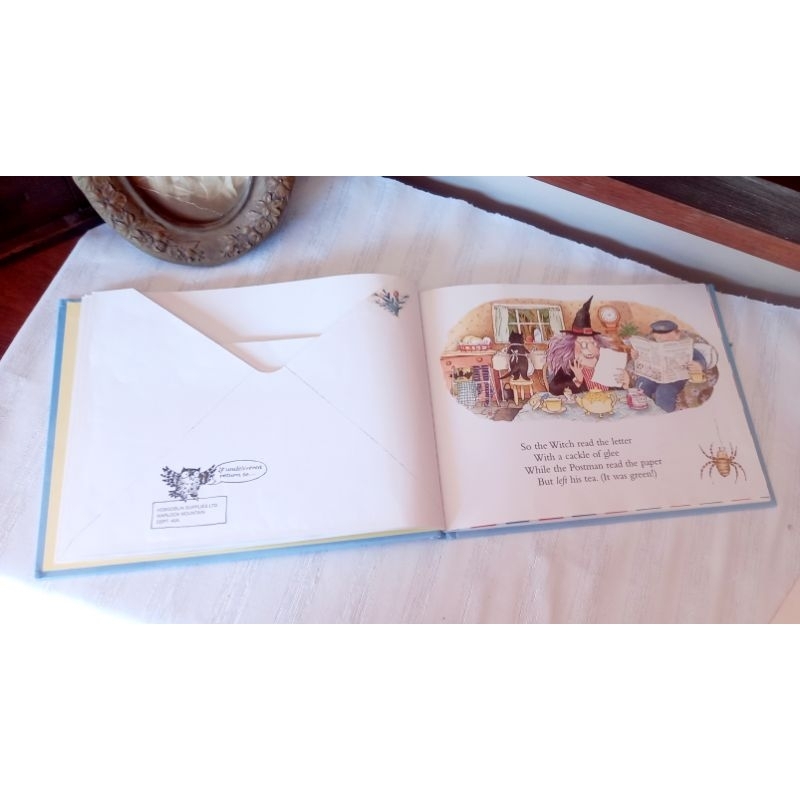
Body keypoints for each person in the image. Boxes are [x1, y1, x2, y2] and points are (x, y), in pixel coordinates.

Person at [546, 296, 630, 395]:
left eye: (593, 343)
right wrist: (578, 381)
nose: (590, 349)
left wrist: (624, 385)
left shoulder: (605, 367)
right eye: (583, 344)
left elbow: (616, 394)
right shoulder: (569, 369)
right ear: (571, 347)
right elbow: (553, 389)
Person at [633, 319, 706, 412]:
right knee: (642, 384)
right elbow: (642, 359)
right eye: (659, 339)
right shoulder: (652, 345)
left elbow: (701, 360)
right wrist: (636, 356)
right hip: (654, 375)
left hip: (674, 380)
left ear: (678, 334)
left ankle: (664, 414)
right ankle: (640, 410)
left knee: (664, 392)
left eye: (667, 341)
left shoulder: (686, 347)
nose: (662, 342)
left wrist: (699, 365)